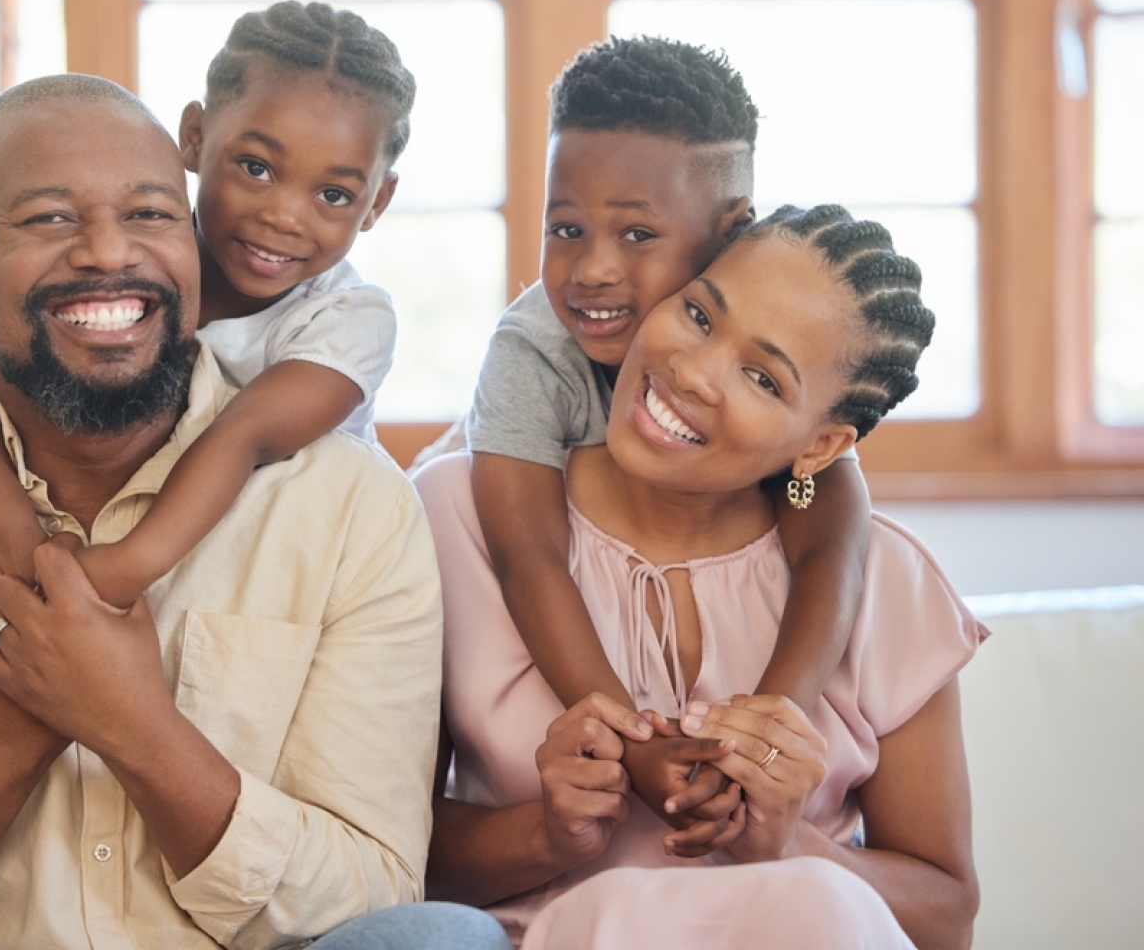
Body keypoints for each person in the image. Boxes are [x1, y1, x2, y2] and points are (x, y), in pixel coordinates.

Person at [0, 76, 508, 950]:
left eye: (153, 215)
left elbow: (370, 893)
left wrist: (134, 724)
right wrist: (19, 720)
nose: (105, 252)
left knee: (438, 940)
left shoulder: (353, 508)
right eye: (49, 219)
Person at [417, 204, 982, 948]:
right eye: (697, 314)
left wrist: (790, 841)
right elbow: (386, 862)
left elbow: (948, 917)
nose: (692, 373)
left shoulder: (888, 582)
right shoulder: (451, 516)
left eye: (762, 378)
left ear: (821, 446)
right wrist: (548, 835)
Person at [462, 38, 875, 844]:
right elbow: (527, 556)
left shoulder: (772, 337)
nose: (592, 271)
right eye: (566, 228)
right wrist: (632, 742)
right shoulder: (531, 348)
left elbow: (832, 532)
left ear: (731, 232)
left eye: (638, 236)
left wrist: (767, 725)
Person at [0, 1, 411, 609]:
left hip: (291, 553)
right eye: (256, 167)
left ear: (378, 202)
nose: (283, 215)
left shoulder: (349, 320)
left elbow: (245, 436)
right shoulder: (147, 262)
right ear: (195, 139)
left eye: (333, 193)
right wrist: (16, 536)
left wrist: (116, 575)